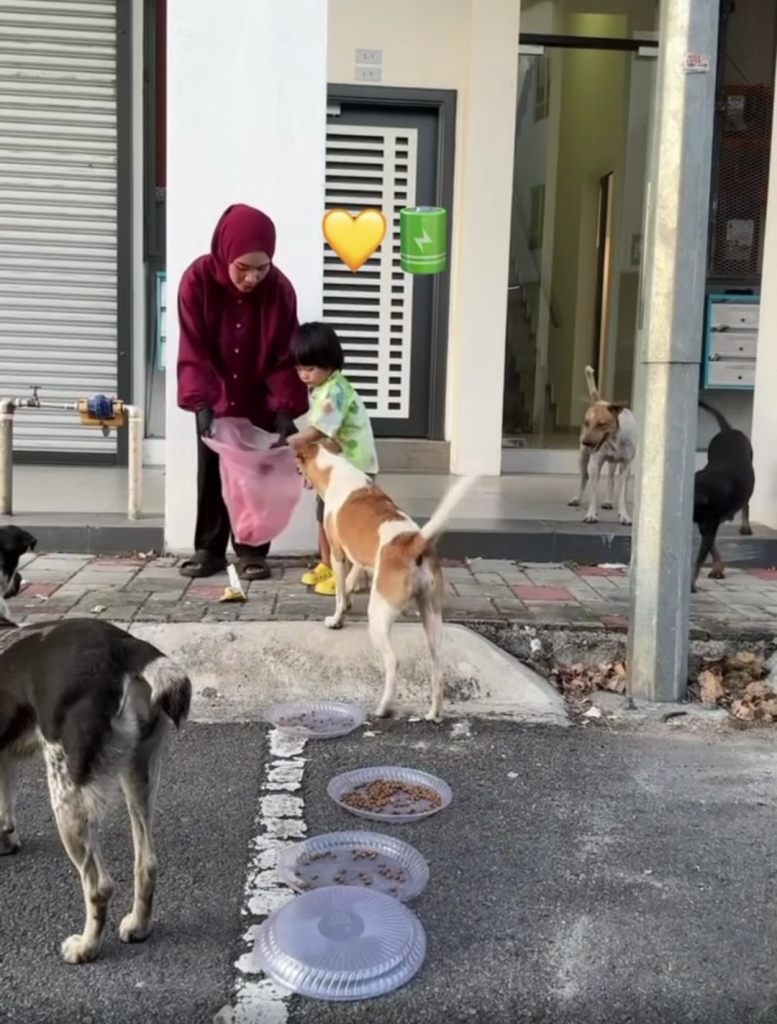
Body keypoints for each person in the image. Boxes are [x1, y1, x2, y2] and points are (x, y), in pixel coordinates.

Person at [176, 203, 308, 581]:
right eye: (243, 268)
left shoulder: (280, 290)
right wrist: (200, 401)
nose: (252, 278)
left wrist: (285, 407)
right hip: (214, 396)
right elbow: (193, 345)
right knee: (213, 473)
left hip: (259, 396)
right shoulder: (197, 281)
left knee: (256, 476)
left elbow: (287, 352)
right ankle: (209, 549)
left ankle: (252, 551)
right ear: (225, 253)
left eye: (261, 269)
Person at [286, 322, 379, 596]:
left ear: (330, 364)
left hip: (355, 467)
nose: (303, 375)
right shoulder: (321, 388)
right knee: (324, 516)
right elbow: (321, 438)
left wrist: (292, 441)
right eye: (299, 369)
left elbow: (318, 431)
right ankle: (327, 564)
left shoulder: (336, 390)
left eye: (310, 368)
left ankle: (353, 575)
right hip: (334, 468)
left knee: (348, 522)